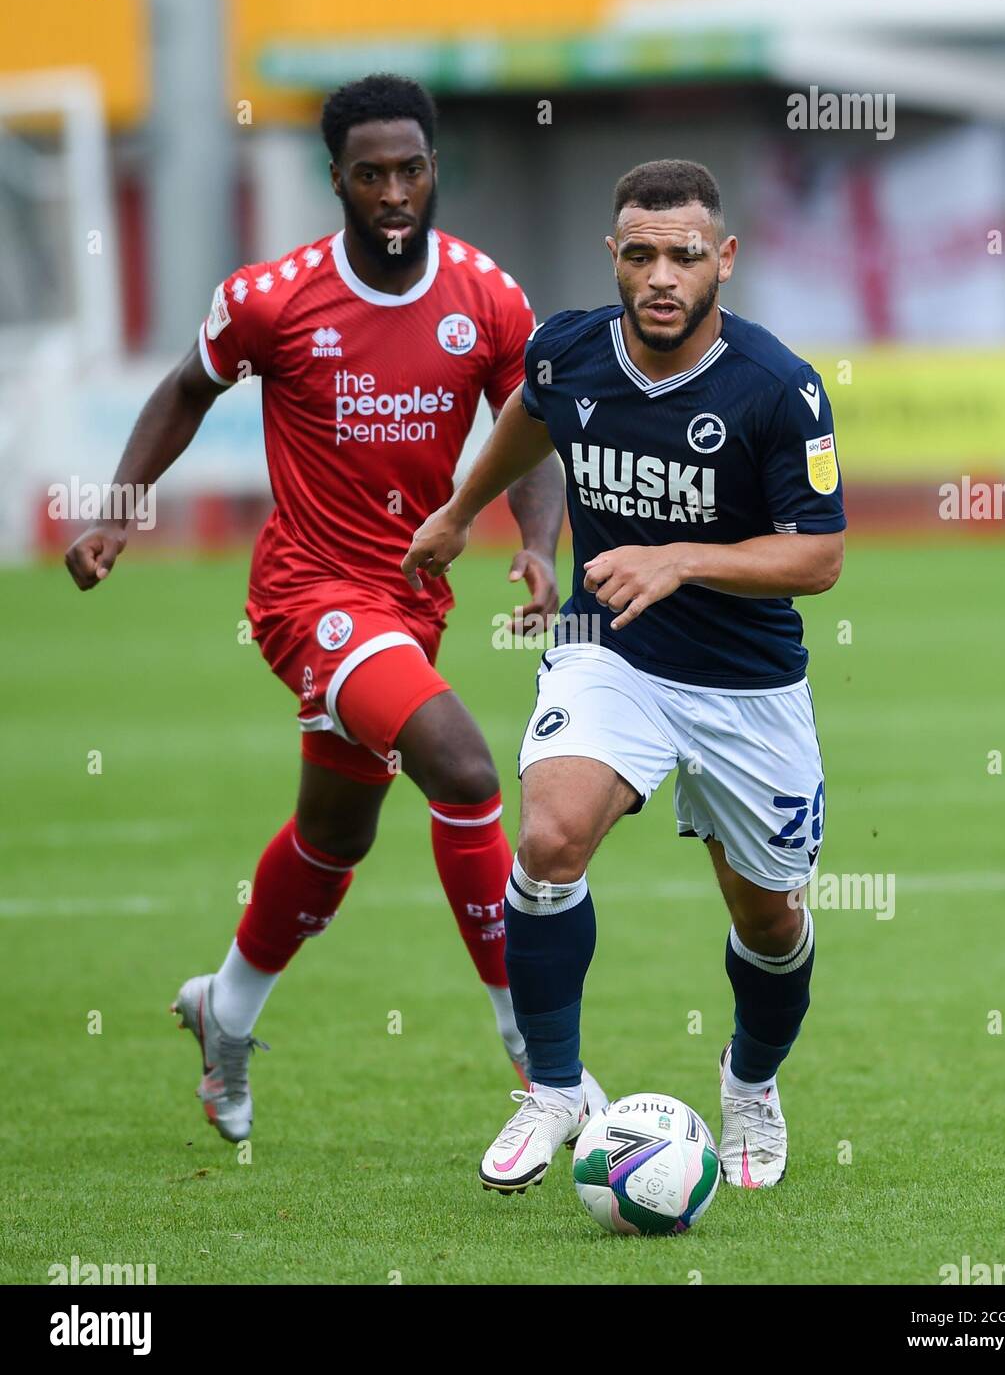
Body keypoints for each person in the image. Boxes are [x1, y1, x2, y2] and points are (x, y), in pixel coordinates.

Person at [64, 73, 606, 1143]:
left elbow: (528, 421)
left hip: (411, 600)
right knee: (461, 763)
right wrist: (120, 510)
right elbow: (186, 386)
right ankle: (538, 1054)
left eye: (412, 170)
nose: (395, 192)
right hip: (307, 594)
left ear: (435, 168)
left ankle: (225, 1010)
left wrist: (540, 549)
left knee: (335, 835)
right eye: (373, 175)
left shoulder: (487, 297)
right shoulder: (277, 296)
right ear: (338, 181)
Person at [402, 159, 846, 1193]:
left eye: (684, 255)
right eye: (639, 253)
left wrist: (681, 557)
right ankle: (555, 1087)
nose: (660, 275)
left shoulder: (779, 387)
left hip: (748, 685)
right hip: (613, 653)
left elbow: (818, 557)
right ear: (614, 254)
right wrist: (466, 510)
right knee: (550, 838)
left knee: (770, 922)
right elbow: (530, 413)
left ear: (722, 260)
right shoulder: (568, 352)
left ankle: (750, 1083)